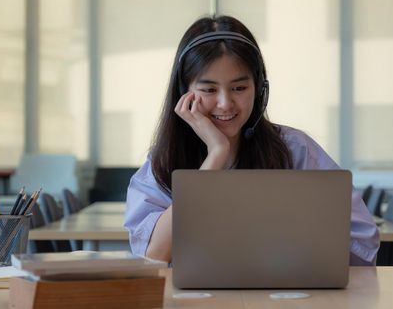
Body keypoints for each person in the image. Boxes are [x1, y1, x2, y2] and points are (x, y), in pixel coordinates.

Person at [124, 15, 379, 265]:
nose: (225, 103)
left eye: (239, 88)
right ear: (185, 94)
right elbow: (153, 255)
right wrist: (215, 155)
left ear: (259, 89)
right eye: (209, 90)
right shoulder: (165, 160)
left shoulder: (295, 149)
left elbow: (362, 243)